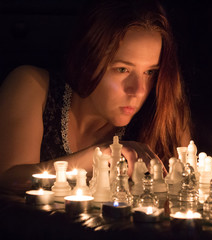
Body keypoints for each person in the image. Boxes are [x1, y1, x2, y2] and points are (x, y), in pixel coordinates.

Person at [0, 0, 192, 194]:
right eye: (123, 69)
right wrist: (96, 156)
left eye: (150, 72)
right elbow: (7, 178)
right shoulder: (33, 86)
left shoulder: (163, 112)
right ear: (89, 60)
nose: (139, 90)